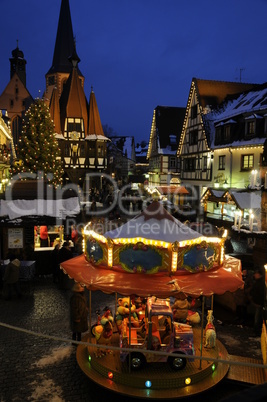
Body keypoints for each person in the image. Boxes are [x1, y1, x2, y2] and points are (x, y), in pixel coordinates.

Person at [249, 268, 265, 336]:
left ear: (259, 274)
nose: (254, 275)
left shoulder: (260, 283)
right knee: (257, 317)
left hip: (259, 303)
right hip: (257, 302)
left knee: (258, 318)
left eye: (256, 274)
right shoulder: (258, 282)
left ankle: (257, 331)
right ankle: (257, 330)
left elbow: (260, 293)